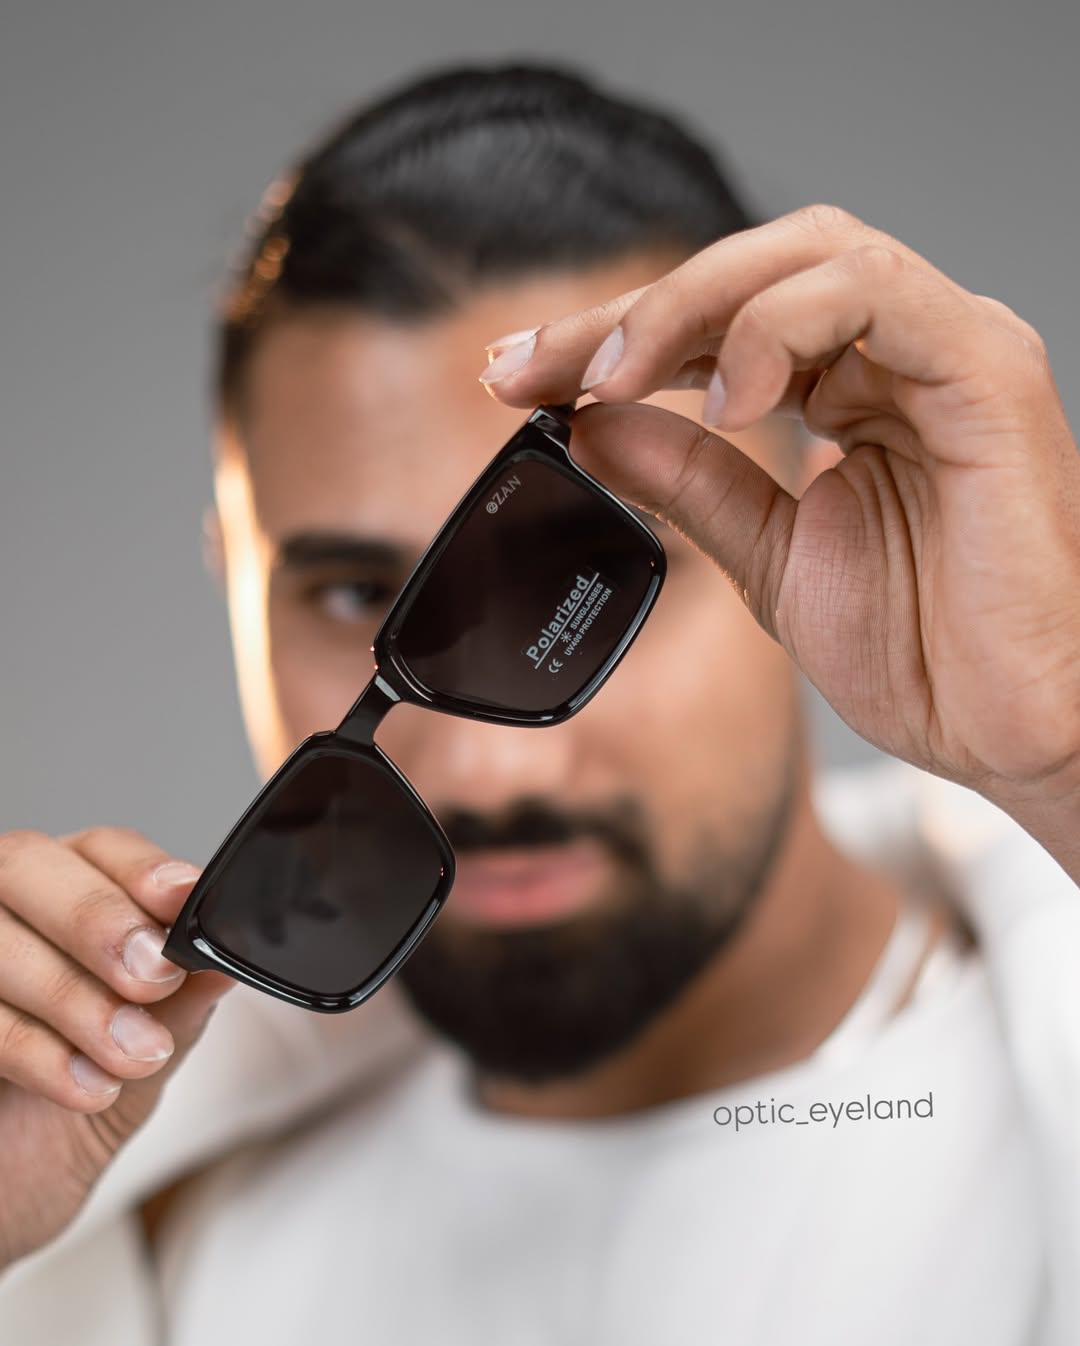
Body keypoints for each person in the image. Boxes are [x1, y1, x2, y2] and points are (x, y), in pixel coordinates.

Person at [1, 60, 1077, 1346]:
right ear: (231, 579)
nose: (491, 775)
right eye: (353, 594)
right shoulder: (131, 1213)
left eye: (582, 580)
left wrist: (1064, 764)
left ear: (838, 517)